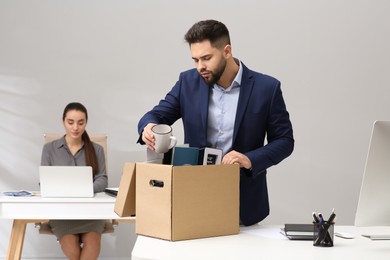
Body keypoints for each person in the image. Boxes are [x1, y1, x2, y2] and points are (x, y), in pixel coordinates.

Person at [137, 19, 294, 226]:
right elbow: (155, 116)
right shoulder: (188, 82)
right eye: (195, 60)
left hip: (243, 202)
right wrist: (147, 127)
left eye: (206, 58)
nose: (200, 67)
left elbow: (284, 141)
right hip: (192, 196)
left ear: (227, 51)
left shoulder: (267, 88)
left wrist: (249, 159)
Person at [41, 102, 108, 260]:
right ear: (63, 121)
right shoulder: (50, 149)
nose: (75, 127)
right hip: (62, 212)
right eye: (70, 122)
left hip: (90, 212)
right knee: (71, 248)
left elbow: (102, 179)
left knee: (93, 244)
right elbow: (44, 180)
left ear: (86, 122)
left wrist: (84, 190)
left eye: (80, 122)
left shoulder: (96, 149)